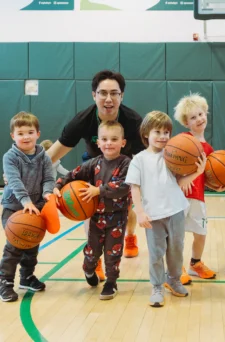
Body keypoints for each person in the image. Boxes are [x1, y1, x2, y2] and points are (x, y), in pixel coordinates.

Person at [45, 70, 143, 280]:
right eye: (103, 93)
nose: (108, 99)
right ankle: (95, 258)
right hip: (92, 167)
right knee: (89, 211)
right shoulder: (82, 120)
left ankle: (131, 236)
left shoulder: (133, 121)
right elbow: (53, 153)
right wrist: (29, 172)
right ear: (94, 95)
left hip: (122, 167)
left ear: (121, 96)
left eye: (114, 93)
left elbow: (147, 157)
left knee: (126, 209)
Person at [125, 111, 206, 307]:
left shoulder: (173, 155)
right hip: (153, 215)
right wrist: (140, 211)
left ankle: (174, 280)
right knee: (156, 253)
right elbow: (134, 186)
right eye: (158, 132)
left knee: (176, 250)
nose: (163, 136)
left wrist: (198, 172)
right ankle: (157, 286)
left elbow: (179, 183)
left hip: (176, 210)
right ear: (146, 134)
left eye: (166, 132)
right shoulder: (139, 159)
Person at [53, 121, 131, 300]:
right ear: (98, 143)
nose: (109, 143)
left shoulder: (127, 163)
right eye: (104, 139)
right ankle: (89, 270)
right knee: (92, 251)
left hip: (117, 217)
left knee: (113, 252)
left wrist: (99, 190)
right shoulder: (93, 164)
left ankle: (111, 282)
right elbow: (72, 175)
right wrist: (59, 185)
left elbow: (123, 186)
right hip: (95, 217)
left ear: (123, 142)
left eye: (114, 139)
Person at [173, 94, 225, 285]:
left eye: (200, 114)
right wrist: (180, 178)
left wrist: (221, 185)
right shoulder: (181, 141)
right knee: (177, 234)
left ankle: (195, 264)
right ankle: (176, 267)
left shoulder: (209, 149)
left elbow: (208, 177)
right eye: (193, 117)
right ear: (186, 123)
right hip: (179, 197)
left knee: (201, 233)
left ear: (206, 113)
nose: (199, 119)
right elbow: (171, 167)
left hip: (198, 197)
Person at [0, 112, 55, 302]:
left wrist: (48, 192)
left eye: (30, 132)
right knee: (15, 245)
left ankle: (26, 277)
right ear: (13, 136)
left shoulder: (44, 157)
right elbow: (14, 182)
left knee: (32, 244)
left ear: (38, 134)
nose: (26, 137)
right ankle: (5, 282)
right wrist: (26, 202)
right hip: (14, 207)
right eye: (20, 133)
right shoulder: (10, 157)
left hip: (37, 206)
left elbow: (49, 178)